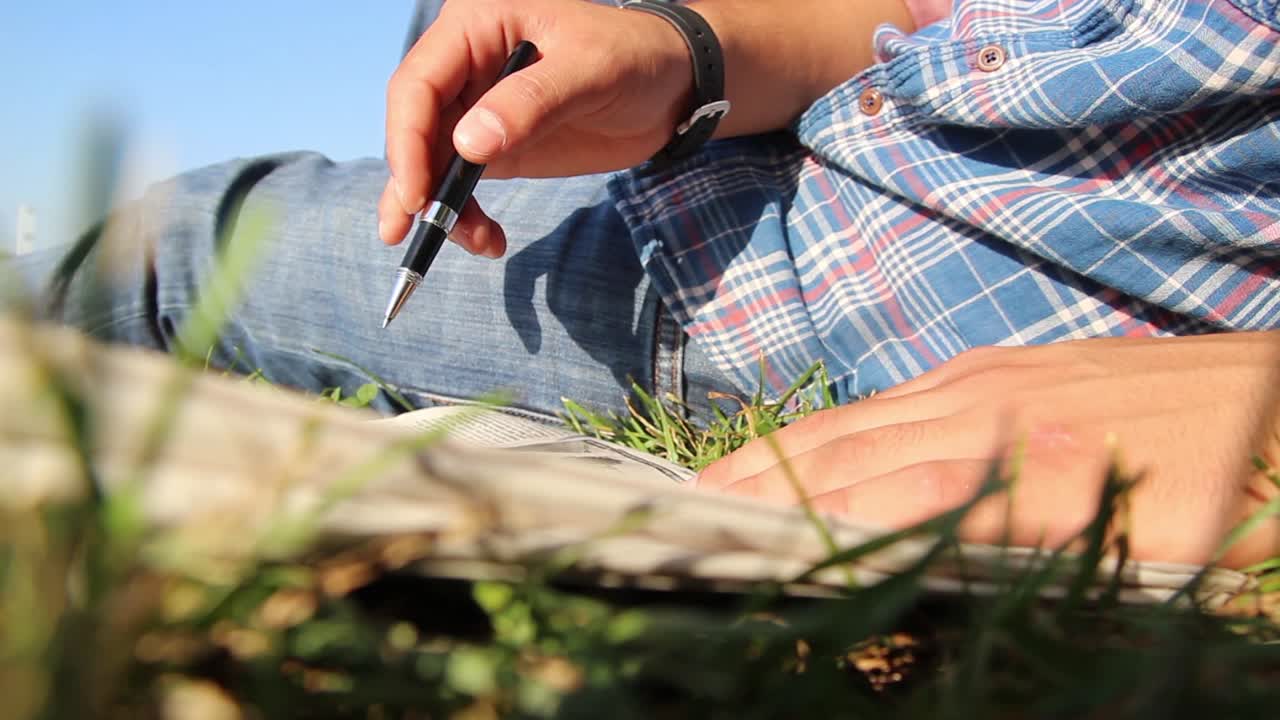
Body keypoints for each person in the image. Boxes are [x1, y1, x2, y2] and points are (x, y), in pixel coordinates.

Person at [11, 0, 1280, 568]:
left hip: (801, 306)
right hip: (788, 153)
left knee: (185, 242)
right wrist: (691, 54)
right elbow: (947, 20)